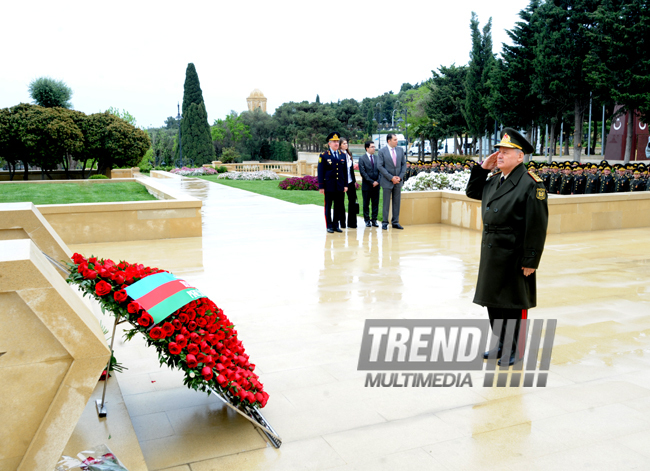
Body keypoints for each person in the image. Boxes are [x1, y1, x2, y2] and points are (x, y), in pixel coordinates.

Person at [465, 128, 549, 366]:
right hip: (492, 252)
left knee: (513, 304)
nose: (499, 156)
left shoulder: (531, 184)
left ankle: (516, 349)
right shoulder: (494, 180)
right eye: (498, 152)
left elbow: (537, 226)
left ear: (520, 157)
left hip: (514, 254)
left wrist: (530, 260)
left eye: (505, 152)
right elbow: (472, 191)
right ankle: (501, 344)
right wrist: (483, 168)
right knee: (493, 302)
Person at [317, 132, 348, 233]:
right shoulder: (324, 156)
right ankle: (329, 225)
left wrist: (345, 185)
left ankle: (336, 225)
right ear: (329, 143)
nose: (336, 143)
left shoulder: (342, 155)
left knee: (338, 206)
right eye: (334, 141)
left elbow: (345, 172)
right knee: (328, 206)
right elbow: (320, 172)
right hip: (329, 186)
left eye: (337, 141)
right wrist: (321, 186)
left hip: (339, 186)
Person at [377, 133, 406, 230]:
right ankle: (385, 222)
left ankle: (395, 222)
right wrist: (391, 178)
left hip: (398, 181)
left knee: (397, 202)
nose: (397, 141)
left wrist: (399, 177)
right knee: (386, 202)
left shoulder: (400, 150)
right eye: (395, 140)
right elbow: (380, 166)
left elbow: (404, 165)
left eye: (396, 139)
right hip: (387, 181)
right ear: (389, 141)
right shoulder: (382, 151)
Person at [358, 141, 380, 227]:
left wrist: (377, 181)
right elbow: (363, 173)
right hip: (367, 186)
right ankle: (367, 220)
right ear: (367, 148)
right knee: (366, 204)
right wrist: (372, 182)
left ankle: (374, 220)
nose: (374, 148)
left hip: (376, 186)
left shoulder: (377, 158)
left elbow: (381, 171)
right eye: (372, 147)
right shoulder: (362, 159)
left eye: (374, 147)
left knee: (375, 203)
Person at [339, 138, 358, 229]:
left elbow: (351, 171)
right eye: (344, 143)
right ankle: (342, 223)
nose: (346, 145)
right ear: (340, 145)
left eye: (346, 143)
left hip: (350, 181)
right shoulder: (338, 155)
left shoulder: (349, 155)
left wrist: (354, 181)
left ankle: (352, 223)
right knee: (341, 202)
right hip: (342, 182)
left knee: (352, 201)